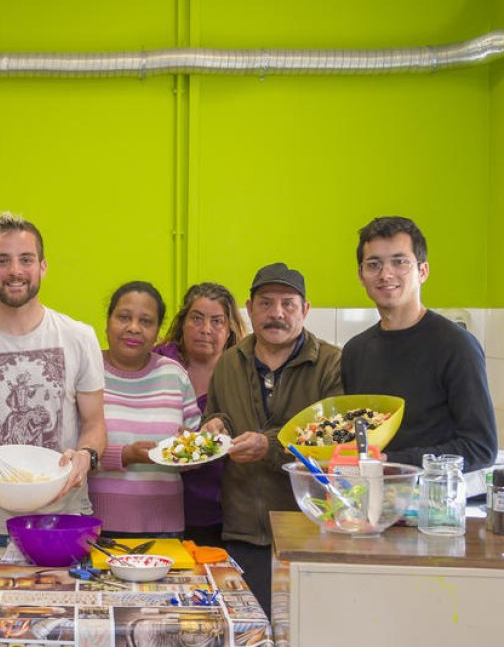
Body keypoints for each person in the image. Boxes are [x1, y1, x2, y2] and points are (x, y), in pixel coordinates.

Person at [0, 212, 108, 547]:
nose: (14, 271)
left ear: (42, 267)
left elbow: (95, 423)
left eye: (25, 259)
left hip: (66, 519)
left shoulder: (79, 337)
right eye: (2, 260)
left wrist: (87, 455)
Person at [200, 262, 342, 616]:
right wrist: (214, 425)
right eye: (265, 303)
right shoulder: (230, 362)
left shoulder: (331, 363)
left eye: (287, 303)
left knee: (307, 632)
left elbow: (333, 444)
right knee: (249, 631)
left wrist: (270, 445)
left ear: (305, 310)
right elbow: (219, 414)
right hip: (242, 531)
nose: (276, 313)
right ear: (249, 308)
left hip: (309, 531)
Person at [342, 216, 497, 470]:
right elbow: (359, 434)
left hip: (435, 503)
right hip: (371, 497)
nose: (386, 274)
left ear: (422, 271)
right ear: (361, 275)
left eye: (400, 262)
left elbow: (480, 447)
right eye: (373, 264)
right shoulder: (355, 351)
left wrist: (393, 463)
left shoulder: (456, 346)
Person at [90, 281, 201, 539]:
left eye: (146, 321)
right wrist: (124, 455)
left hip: (165, 527)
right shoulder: (87, 371)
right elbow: (68, 449)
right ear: (108, 321)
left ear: (157, 330)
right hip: (95, 526)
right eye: (124, 317)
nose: (133, 328)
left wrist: (188, 450)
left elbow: (198, 450)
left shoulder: (174, 374)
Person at [153, 282, 246, 547]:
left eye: (217, 321)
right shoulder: (158, 362)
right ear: (183, 322)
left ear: (229, 330)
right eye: (196, 318)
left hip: (220, 511)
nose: (206, 329)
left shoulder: (242, 372)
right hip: (157, 505)